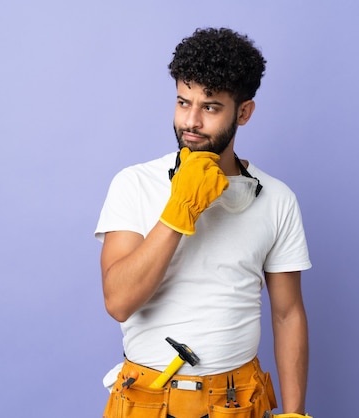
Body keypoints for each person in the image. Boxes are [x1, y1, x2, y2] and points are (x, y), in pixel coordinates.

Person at [95, 27, 312, 418]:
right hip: (146, 398)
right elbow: (119, 301)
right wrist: (180, 209)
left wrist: (294, 412)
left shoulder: (277, 199)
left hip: (236, 401)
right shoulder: (135, 184)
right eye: (183, 102)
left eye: (210, 107)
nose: (190, 121)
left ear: (243, 112)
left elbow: (287, 313)